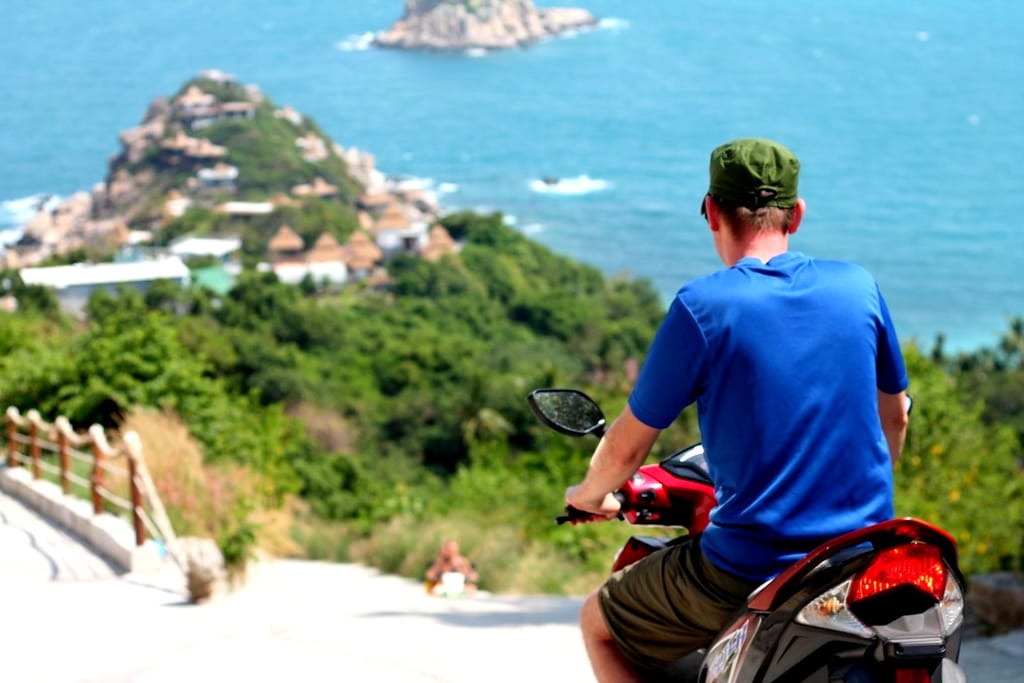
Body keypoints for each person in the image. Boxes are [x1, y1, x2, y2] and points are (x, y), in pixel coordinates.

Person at [564, 138, 909, 682]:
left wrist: (587, 496)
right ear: (796, 214)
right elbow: (897, 417)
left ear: (711, 212)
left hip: (750, 567)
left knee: (597, 623)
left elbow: (627, 447)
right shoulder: (859, 287)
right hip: (865, 556)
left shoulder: (702, 307)